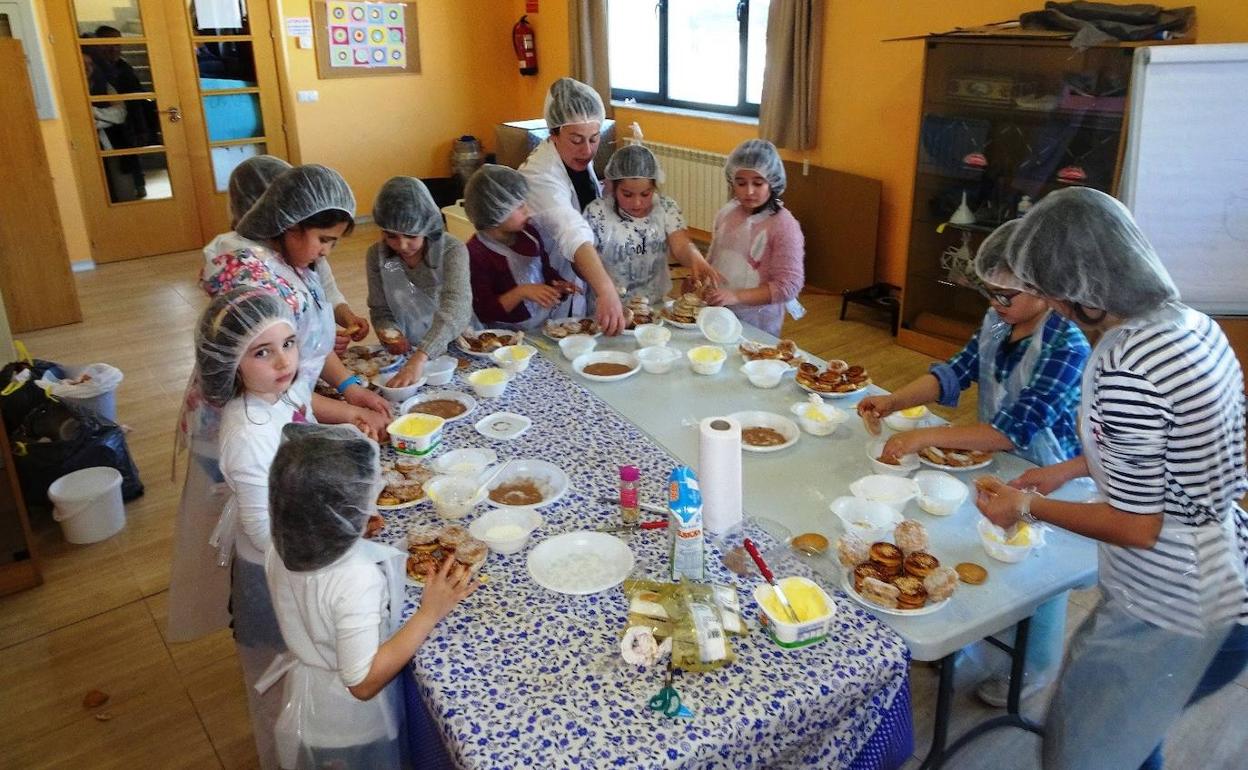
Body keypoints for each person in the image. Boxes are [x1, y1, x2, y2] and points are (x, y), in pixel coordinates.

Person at [971, 187, 1248, 770]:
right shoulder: (1191, 323)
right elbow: (1171, 452)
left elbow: (1138, 525)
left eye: (1052, 287)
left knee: (1086, 753)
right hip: (1228, 571)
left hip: (1172, 603)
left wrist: (1025, 506)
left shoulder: (1123, 363)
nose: (1051, 301)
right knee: (1131, 738)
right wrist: (1070, 468)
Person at [858, 219, 1090, 706]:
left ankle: (1031, 671)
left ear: (1046, 291)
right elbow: (955, 373)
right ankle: (979, 643)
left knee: (1038, 575)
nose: (994, 303)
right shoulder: (998, 321)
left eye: (1006, 295)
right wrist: (894, 402)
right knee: (984, 550)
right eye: (989, 291)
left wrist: (928, 436)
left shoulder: (1067, 345)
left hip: (1054, 472)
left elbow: (1015, 429)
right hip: (998, 460)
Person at [260, 423, 478, 769]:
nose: (373, 509)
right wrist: (429, 613)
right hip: (350, 723)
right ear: (342, 513)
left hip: (312, 696)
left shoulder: (282, 543)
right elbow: (362, 683)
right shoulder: (355, 579)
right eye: (369, 499)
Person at [195, 288, 304, 769]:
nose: (284, 361)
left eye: (289, 343)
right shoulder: (246, 435)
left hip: (295, 545)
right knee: (279, 684)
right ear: (232, 365)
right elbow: (265, 533)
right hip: (272, 570)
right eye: (262, 352)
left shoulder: (275, 395)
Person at [210, 155, 371, 357]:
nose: (326, 251)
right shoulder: (250, 270)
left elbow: (326, 291)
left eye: (332, 242)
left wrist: (345, 318)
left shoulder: (304, 251)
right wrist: (319, 344)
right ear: (290, 222)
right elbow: (265, 346)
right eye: (323, 240)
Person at [518, 77, 626, 334]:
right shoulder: (539, 175)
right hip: (548, 289)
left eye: (594, 138)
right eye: (577, 140)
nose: (587, 150)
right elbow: (570, 228)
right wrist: (606, 289)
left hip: (579, 279)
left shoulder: (576, 158)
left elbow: (584, 204)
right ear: (553, 133)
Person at [365, 177, 472, 387]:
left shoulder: (451, 250)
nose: (402, 245)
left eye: (411, 235)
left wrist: (421, 356)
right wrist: (390, 333)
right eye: (391, 236)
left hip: (454, 344)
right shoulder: (378, 256)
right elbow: (380, 309)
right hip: (405, 353)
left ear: (427, 226)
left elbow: (456, 306)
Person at [582, 143, 720, 305]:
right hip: (608, 305)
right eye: (627, 194)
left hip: (653, 306)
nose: (637, 203)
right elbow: (586, 257)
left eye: (645, 194)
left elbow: (681, 245)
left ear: (655, 187)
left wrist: (696, 257)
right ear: (613, 187)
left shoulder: (665, 208)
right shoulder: (597, 213)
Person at [701, 139, 805, 337]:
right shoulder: (728, 213)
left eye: (758, 183)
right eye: (741, 183)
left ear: (772, 183)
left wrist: (736, 296)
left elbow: (788, 286)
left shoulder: (784, 225)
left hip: (758, 322)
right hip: (720, 313)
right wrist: (703, 278)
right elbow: (715, 257)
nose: (749, 191)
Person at [463, 164, 580, 330]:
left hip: (543, 327)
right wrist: (521, 292)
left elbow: (544, 271)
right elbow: (485, 311)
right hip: (505, 338)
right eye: (519, 206)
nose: (527, 210)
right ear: (495, 212)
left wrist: (558, 286)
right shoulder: (475, 254)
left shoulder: (529, 234)